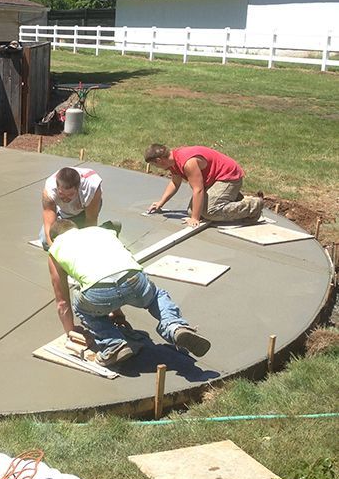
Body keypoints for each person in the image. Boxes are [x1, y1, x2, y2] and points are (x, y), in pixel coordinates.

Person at [47, 219, 211, 367]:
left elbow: (62, 302)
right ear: (76, 228)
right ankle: (175, 326)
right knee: (156, 296)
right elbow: (113, 272)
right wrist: (117, 313)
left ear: (54, 238)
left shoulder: (56, 249)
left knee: (82, 305)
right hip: (134, 280)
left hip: (99, 294)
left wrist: (70, 332)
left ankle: (114, 344)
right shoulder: (99, 231)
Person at [144, 143, 264, 227]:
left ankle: (253, 206)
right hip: (213, 181)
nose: (157, 168)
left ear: (159, 160)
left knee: (210, 212)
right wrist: (161, 203)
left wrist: (195, 219)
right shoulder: (173, 162)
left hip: (228, 177)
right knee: (193, 211)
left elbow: (198, 190)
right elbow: (175, 182)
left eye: (155, 165)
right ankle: (231, 197)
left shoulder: (187, 162)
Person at [38, 167, 103, 249]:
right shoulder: (49, 190)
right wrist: (53, 250)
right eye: (61, 194)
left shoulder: (91, 187)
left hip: (84, 211)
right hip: (63, 212)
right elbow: (49, 222)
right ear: (57, 188)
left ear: (78, 188)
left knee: (80, 242)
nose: (65, 199)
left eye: (70, 195)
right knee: (45, 241)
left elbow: (91, 220)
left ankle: (107, 229)